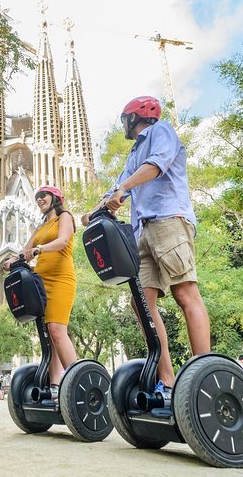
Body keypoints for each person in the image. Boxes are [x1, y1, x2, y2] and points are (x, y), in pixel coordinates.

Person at [82, 96, 210, 390]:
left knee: (184, 291)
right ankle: (167, 377)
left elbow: (156, 166)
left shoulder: (160, 131)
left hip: (169, 219)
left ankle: (204, 373)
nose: (124, 125)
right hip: (142, 231)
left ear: (132, 117)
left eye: (124, 120)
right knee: (141, 302)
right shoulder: (132, 156)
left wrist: (123, 188)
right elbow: (118, 189)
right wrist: (95, 210)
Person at [5, 186, 78, 403]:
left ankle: (76, 380)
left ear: (55, 198)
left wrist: (39, 250)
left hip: (61, 278)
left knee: (57, 329)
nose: (39, 199)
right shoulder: (40, 227)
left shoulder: (64, 217)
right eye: (37, 197)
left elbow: (63, 241)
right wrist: (13, 260)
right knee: (48, 332)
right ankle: (55, 385)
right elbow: (25, 250)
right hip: (40, 281)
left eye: (43, 196)